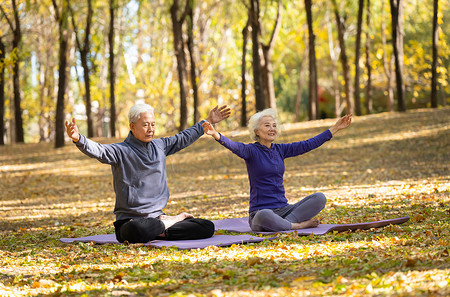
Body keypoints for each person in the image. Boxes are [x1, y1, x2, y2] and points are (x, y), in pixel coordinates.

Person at [65, 103, 231, 243]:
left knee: (206, 227)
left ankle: (160, 229)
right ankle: (170, 223)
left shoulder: (160, 146)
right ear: (132, 126)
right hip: (131, 222)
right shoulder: (120, 151)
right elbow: (99, 150)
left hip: (159, 219)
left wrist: (208, 121)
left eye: (152, 124)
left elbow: (184, 137)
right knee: (135, 230)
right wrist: (78, 138)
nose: (150, 129)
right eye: (145, 124)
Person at [203, 108, 352, 232]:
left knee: (319, 198)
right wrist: (215, 134)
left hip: (284, 210)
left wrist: (334, 129)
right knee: (264, 215)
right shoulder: (251, 150)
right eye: (267, 125)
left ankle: (283, 224)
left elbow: (308, 144)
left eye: (274, 125)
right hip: (260, 213)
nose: (272, 128)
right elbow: (233, 145)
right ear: (257, 131)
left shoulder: (281, 150)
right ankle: (298, 226)